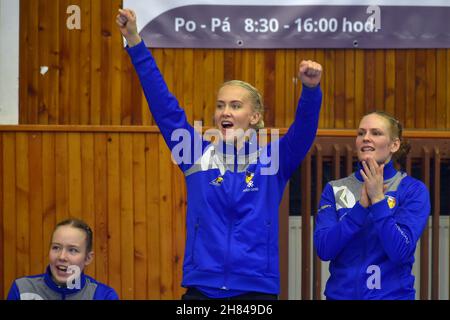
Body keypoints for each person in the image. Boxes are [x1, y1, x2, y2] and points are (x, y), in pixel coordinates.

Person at [117, 8, 323, 299]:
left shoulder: (273, 160)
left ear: (254, 116)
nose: (225, 111)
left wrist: (311, 90)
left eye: (236, 106)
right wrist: (135, 43)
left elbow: (303, 132)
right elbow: (164, 108)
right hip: (202, 288)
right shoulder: (195, 153)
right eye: (220, 105)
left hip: (255, 290)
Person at [314, 111, 430, 300]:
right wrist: (360, 208)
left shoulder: (412, 190)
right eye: (361, 133)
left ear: (394, 145)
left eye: (376, 133)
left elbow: (400, 251)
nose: (366, 138)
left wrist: (377, 201)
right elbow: (324, 249)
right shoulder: (335, 189)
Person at [7, 218, 119, 300]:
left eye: (73, 250)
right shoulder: (22, 289)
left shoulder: (104, 296)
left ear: (88, 258)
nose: (62, 257)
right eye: (56, 247)